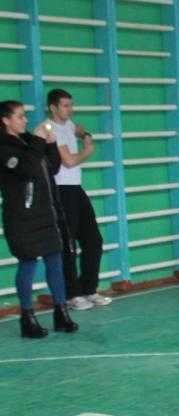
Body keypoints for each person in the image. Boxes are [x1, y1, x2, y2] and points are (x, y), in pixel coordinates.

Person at [1, 100, 78, 337]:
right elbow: (26, 169)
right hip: (22, 217)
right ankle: (27, 317)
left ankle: (61, 312)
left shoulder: (27, 142)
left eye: (25, 115)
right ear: (5, 120)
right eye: (20, 116)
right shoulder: (4, 147)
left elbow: (50, 168)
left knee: (55, 261)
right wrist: (38, 141)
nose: (25, 120)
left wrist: (51, 145)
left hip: (44, 213)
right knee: (28, 264)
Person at [44, 89, 108, 311]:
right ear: (53, 107)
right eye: (65, 106)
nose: (70, 109)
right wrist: (88, 150)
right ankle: (72, 294)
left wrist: (86, 135)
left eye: (71, 105)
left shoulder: (69, 125)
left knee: (94, 240)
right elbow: (69, 161)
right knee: (68, 244)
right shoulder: (49, 129)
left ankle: (89, 289)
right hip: (60, 191)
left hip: (76, 189)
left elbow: (80, 130)